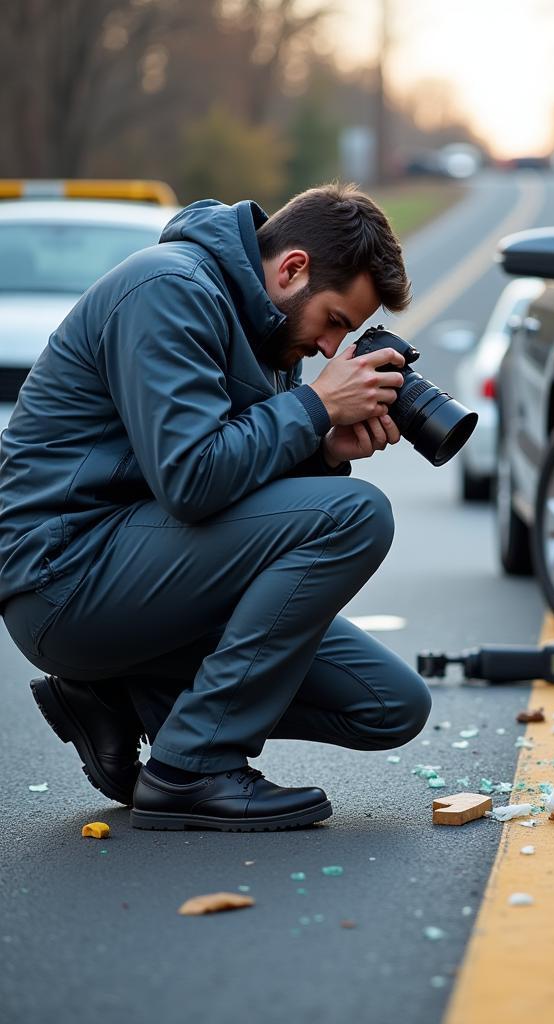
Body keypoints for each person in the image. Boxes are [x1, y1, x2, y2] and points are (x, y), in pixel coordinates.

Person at [0, 183, 432, 832]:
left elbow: (237, 493)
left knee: (389, 705)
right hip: (64, 577)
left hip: (145, 574)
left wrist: (324, 448)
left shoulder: (265, 329)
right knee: (355, 515)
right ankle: (190, 768)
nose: (328, 348)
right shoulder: (168, 290)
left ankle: (117, 690)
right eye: (335, 322)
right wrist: (314, 408)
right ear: (292, 269)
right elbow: (193, 481)